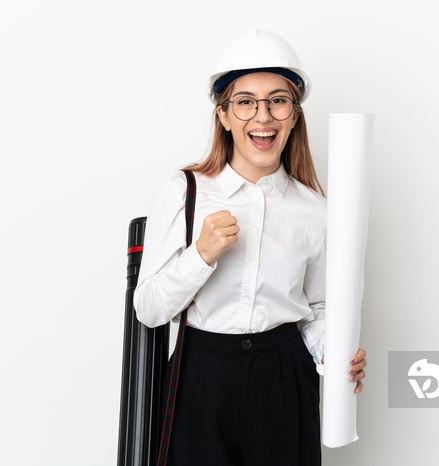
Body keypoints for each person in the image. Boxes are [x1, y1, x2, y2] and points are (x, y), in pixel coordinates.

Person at [133, 27, 367, 466]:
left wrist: (335, 353)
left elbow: (316, 308)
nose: (263, 117)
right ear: (223, 115)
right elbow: (149, 308)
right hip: (199, 378)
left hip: (284, 376)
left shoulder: (316, 211)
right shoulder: (184, 191)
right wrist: (199, 256)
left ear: (294, 115)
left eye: (278, 100)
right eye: (245, 102)